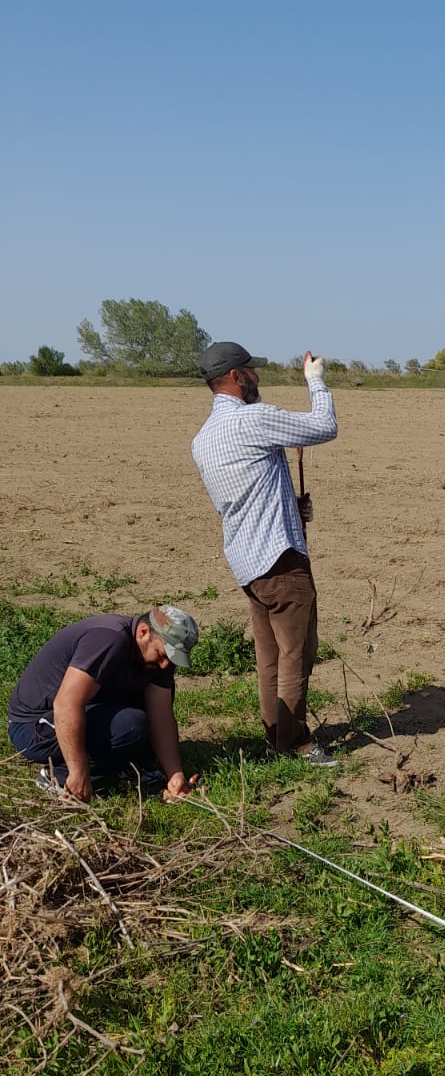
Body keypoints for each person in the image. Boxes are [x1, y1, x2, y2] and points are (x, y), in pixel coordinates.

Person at [191, 341, 338, 766]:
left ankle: (275, 734)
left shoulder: (202, 440)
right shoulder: (253, 418)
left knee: (269, 656)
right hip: (282, 562)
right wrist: (315, 381)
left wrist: (290, 506)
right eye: (251, 371)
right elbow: (324, 426)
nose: (257, 377)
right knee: (297, 654)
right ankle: (295, 743)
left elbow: (242, 496)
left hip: (248, 563)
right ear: (235, 377)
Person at [8, 605, 198, 802]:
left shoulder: (159, 659)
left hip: (83, 707)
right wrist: (78, 771)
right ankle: (59, 777)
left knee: (149, 701)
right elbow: (66, 705)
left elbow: (161, 714)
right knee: (131, 725)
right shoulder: (109, 639)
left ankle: (130, 765)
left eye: (171, 659)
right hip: (34, 727)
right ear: (143, 632)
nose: (165, 664)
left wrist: (175, 774)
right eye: (162, 654)